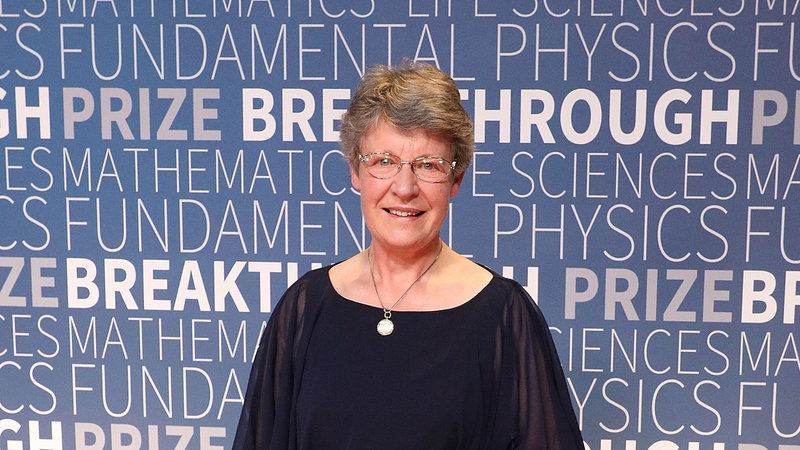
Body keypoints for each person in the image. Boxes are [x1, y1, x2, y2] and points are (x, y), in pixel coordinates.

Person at [232, 60, 584, 450]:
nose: (404, 187)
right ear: (355, 171)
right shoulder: (305, 307)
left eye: (428, 165)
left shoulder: (502, 315)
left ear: (456, 179)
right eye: (383, 161)